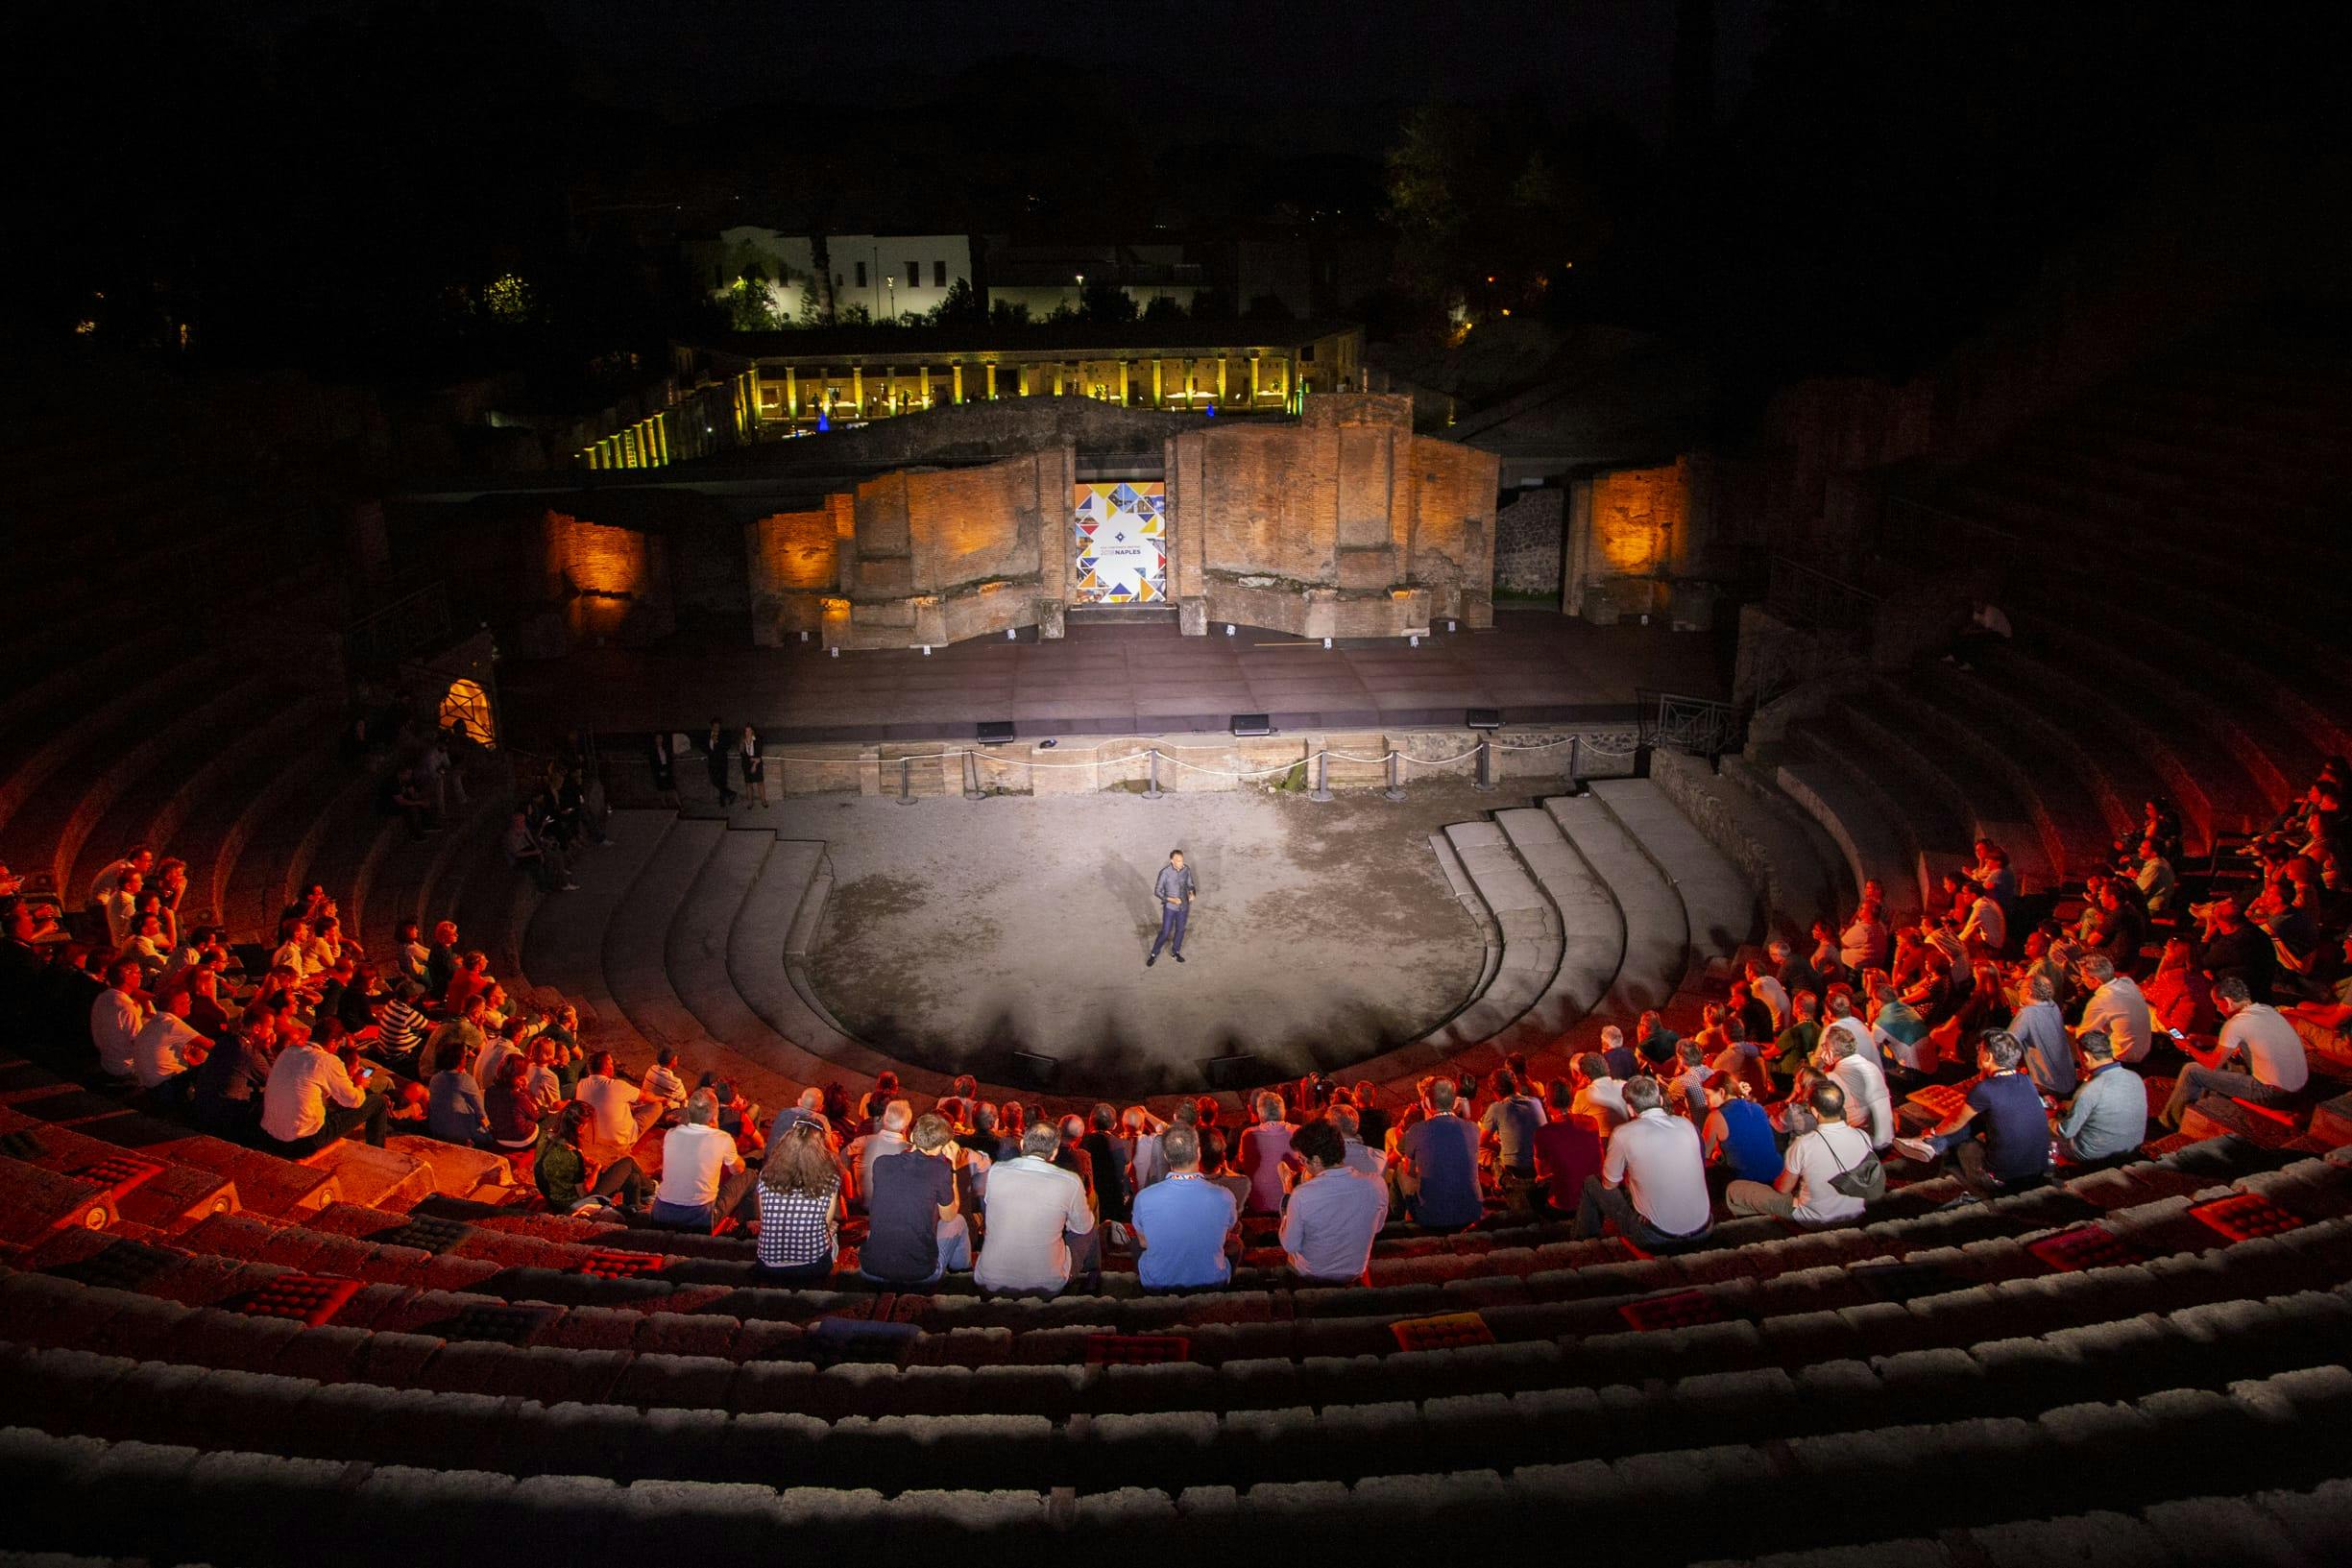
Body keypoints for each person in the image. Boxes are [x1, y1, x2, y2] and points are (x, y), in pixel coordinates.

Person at [1892, 1031, 2051, 1198]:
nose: (1977, 1052)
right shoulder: (2025, 1080)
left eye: (1980, 1049)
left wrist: (1932, 1132)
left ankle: (1933, 1151)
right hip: (2035, 1173)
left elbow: (1955, 1122)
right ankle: (1931, 1147)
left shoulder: (1986, 1090)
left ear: (1988, 1057)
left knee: (1959, 1139)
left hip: (2000, 1181)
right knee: (1980, 1119)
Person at [1572, 1075, 1713, 1249]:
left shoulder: (1623, 1133)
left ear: (1630, 1109)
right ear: (1660, 1100)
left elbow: (1609, 1184)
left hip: (1656, 1236)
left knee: (1592, 1183)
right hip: (1704, 1228)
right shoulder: (1687, 1125)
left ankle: (1582, 1245)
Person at [2161, 976, 2310, 1129]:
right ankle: (2203, 1105)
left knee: (2192, 1070)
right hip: (2298, 1089)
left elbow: (2212, 1064)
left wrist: (2187, 1046)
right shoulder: (2265, 1011)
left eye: (2218, 1005)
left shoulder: (2236, 1024)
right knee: (2226, 1063)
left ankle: (2171, 1122)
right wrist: (2208, 1040)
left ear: (2228, 1001)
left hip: (2272, 1094)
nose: (2218, 1009)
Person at [976, 1122, 1100, 1296]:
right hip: (1047, 1283)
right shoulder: (1070, 1181)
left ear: (1022, 1144)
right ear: (1055, 1152)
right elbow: (1083, 1228)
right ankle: (1091, 1287)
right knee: (1091, 1229)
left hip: (990, 1279)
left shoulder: (996, 1171)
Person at [1727, 1080, 1874, 1226]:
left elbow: (1782, 1189)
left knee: (1735, 1189)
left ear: (1815, 1111)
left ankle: (1761, 1231)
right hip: (1855, 1214)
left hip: (1814, 1220)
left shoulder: (1804, 1144)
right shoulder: (1863, 1136)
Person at [1130, 1123, 1240, 1291]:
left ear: (1166, 1156)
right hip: (1212, 1282)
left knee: (1134, 1243)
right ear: (1198, 1153)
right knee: (1236, 1244)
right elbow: (1225, 1235)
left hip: (1158, 1284)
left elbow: (1144, 1242)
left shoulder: (1144, 1198)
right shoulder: (1225, 1196)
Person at [862, 1113, 967, 1285]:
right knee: (959, 1221)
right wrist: (952, 1167)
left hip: (871, 1268)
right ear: (942, 1147)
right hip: (919, 1273)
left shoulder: (881, 1163)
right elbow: (949, 1216)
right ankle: (963, 1273)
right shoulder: (941, 1170)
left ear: (911, 1136)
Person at [1278, 1119, 1388, 1284]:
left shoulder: (1301, 1195)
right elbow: (1377, 1227)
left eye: (1302, 1160)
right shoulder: (1376, 1184)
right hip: (1355, 1270)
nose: (1303, 1166)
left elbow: (1290, 1244)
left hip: (1313, 1274)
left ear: (1316, 1160)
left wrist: (1288, 1194)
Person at [260, 1032, 389, 1155]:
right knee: (378, 1102)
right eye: (338, 1044)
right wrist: (359, 1085)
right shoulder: (326, 1060)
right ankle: (377, 1152)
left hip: (271, 1137)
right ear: (332, 1042)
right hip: (305, 1141)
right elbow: (354, 1101)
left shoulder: (288, 1052)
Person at [753, 1109, 844, 1282]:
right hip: (812, 1267)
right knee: (834, 1230)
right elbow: (825, 1223)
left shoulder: (766, 1175)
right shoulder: (829, 1180)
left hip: (767, 1265)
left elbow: (763, 1217)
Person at [652, 1089, 755, 1230]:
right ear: (714, 1117)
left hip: (660, 1214)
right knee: (749, 1175)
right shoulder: (722, 1139)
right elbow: (738, 1169)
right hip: (700, 1219)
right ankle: (748, 1227)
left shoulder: (672, 1134)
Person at [1396, 1075, 1483, 1229]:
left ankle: (1406, 1215)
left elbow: (1409, 1171)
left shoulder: (1416, 1130)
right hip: (1472, 1211)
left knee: (1401, 1169)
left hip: (1432, 1216)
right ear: (1454, 1101)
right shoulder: (1474, 1129)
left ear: (1427, 1102)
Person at [2056, 1030, 2146, 1167]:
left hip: (2096, 1156)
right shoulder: (2135, 1077)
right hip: (2130, 1151)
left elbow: (2066, 1131)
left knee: (2045, 1133)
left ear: (2087, 1056)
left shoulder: (2090, 1088)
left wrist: (2051, 1121)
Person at [1531, 1078, 1603, 1217]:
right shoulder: (1591, 1122)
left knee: (1534, 1193)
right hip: (1595, 1197)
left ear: (1548, 1101)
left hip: (1566, 1203)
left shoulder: (1544, 1133)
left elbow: (1541, 1172)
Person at [574, 1051, 658, 1165]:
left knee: (624, 1104)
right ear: (606, 1067)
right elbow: (645, 1096)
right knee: (656, 1106)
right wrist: (662, 1099)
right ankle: (629, 1145)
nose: (613, 1066)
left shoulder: (581, 1084)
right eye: (611, 1063)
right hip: (618, 1142)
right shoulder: (617, 1086)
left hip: (593, 1138)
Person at [1817, 1028, 1894, 1150]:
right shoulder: (1869, 1066)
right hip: (1886, 1137)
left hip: (1866, 1142)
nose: (1822, 1051)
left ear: (1831, 1052)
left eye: (1824, 1046)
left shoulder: (1833, 1078)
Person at [1701, 1077, 1782, 1188]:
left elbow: (1703, 1155)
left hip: (1748, 1183)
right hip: (1776, 1175)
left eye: (1707, 1096)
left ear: (1721, 1092)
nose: (1706, 1102)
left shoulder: (1716, 1116)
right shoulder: (1758, 1107)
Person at [131, 994, 209, 1104]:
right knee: (212, 1060)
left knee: (198, 1056)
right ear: (176, 1006)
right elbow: (211, 1045)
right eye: (188, 1002)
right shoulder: (172, 1024)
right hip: (166, 1088)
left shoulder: (156, 1021)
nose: (191, 1004)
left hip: (150, 1086)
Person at [2076, 955, 2154, 1065]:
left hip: (2125, 1058)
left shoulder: (2101, 1001)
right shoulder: (2128, 984)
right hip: (2146, 1049)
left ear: (2095, 980)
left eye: (2083, 977)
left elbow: (2083, 1035)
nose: (2082, 980)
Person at [2008, 974, 2077, 1097]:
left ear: (2029, 992)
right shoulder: (2052, 1005)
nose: (2018, 990)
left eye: (2020, 988)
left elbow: (2007, 1045)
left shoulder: (2027, 1014)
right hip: (2067, 1078)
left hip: (2047, 1083)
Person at [1479, 1068, 1547, 1186]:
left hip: (1516, 1168)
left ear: (1495, 1092)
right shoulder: (1535, 1102)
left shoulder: (1496, 1108)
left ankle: (1499, 1183)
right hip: (1541, 1163)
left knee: (1478, 1151)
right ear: (1516, 1085)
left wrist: (1496, 1145)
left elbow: (1481, 1141)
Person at [846, 1099, 914, 1209]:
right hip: (892, 1209)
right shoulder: (910, 1152)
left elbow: (841, 1159)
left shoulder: (863, 1141)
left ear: (884, 1120)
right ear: (905, 1127)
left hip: (867, 1203)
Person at [1237, 1091, 1296, 1216]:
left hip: (1259, 1205)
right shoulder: (1297, 1132)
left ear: (1260, 1112)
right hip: (1293, 1205)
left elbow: (1242, 1163)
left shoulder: (1248, 1135)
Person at [425, 1037, 492, 1147]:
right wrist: (490, 1129)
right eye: (464, 1056)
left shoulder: (435, 1078)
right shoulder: (465, 1080)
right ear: (459, 1060)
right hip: (460, 1134)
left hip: (438, 1130)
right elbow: (481, 1114)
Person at [90, 958, 147, 1082]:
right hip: (125, 1068)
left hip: (107, 1062)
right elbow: (140, 1044)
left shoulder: (102, 997)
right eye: (137, 972)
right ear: (126, 976)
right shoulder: (126, 1007)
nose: (141, 976)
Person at [1079, 1101, 1134, 1224]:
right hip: (1114, 1205)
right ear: (1114, 1125)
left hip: (1089, 1203)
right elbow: (1124, 1173)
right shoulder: (1125, 1145)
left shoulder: (1081, 1143)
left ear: (1090, 1122)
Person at [1146, 848, 1197, 967]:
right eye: (1178, 861)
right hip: (1170, 908)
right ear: (1172, 861)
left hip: (1183, 906)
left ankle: (1176, 952)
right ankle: (1154, 954)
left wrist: (1192, 893)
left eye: (1182, 860)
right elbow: (1157, 891)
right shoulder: (1165, 873)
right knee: (1165, 931)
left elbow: (1190, 884)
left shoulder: (1186, 870)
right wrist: (1171, 899)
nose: (1181, 863)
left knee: (1180, 930)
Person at [484, 1054, 544, 1155]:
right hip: (521, 1140)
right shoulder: (518, 1096)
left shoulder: (489, 1091)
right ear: (518, 1077)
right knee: (544, 1123)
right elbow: (535, 1116)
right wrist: (527, 1091)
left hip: (500, 1138)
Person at [705, 718, 737, 806]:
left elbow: (727, 746)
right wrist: (711, 742)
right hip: (712, 761)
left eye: (718, 726)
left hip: (722, 761)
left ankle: (722, 801)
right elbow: (704, 747)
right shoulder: (708, 735)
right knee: (714, 780)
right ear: (712, 727)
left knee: (723, 781)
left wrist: (717, 742)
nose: (717, 728)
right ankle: (731, 794)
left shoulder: (723, 735)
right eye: (715, 726)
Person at [740, 724, 768, 808]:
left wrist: (755, 764)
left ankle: (763, 801)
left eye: (749, 730)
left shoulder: (758, 739)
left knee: (760, 782)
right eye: (746, 731)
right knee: (748, 784)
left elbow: (759, 753)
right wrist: (751, 759)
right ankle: (750, 802)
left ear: (752, 731)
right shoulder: (742, 741)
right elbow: (742, 755)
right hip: (746, 764)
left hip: (757, 763)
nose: (747, 732)